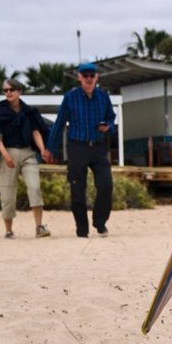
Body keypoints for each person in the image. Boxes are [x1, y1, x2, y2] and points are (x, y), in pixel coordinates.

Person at [47, 62, 115, 238]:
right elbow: (59, 123)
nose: (89, 79)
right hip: (77, 147)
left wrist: (108, 127)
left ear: (97, 77)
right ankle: (82, 230)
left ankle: (100, 222)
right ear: (79, 77)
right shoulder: (70, 97)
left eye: (92, 75)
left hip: (99, 147)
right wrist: (50, 148)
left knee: (106, 185)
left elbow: (111, 118)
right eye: (85, 75)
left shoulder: (103, 97)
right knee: (77, 189)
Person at [0, 78, 53, 239]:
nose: (8, 93)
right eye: (5, 90)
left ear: (19, 91)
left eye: (11, 90)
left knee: (35, 187)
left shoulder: (29, 112)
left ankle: (39, 227)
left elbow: (36, 132)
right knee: (7, 193)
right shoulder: (1, 110)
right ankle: (8, 230)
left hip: (28, 153)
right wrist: (6, 155)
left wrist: (43, 150)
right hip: (8, 153)